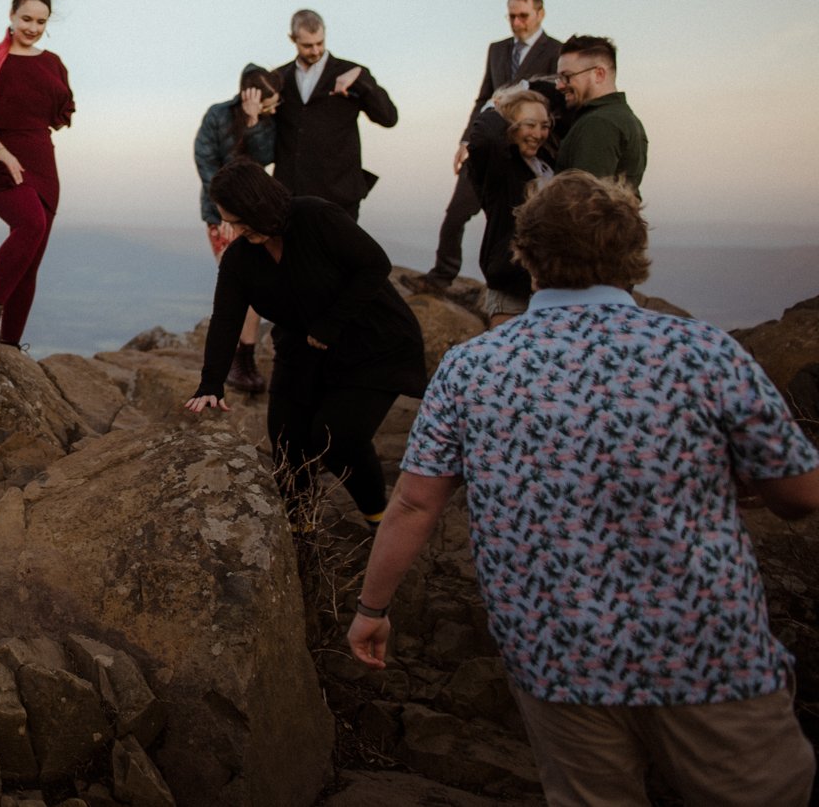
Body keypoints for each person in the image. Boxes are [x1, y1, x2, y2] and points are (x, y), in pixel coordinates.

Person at [348, 172, 819, 806]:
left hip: (558, 660)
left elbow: (413, 502)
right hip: (708, 652)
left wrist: (372, 610)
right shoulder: (703, 351)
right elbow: (800, 493)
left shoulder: (474, 366)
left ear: (528, 256)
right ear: (634, 255)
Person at [184, 158, 425, 528]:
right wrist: (211, 381)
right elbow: (226, 318)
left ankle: (380, 519)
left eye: (238, 219)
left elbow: (375, 264)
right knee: (287, 444)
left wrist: (331, 323)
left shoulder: (316, 216)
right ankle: (299, 530)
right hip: (302, 350)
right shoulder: (240, 257)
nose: (234, 230)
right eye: (229, 221)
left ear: (259, 204)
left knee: (337, 438)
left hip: (371, 343)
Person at [427, 0, 561, 291]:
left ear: (540, 14)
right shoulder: (497, 49)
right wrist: (466, 140)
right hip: (488, 144)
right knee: (456, 214)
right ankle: (440, 278)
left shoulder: (556, 50)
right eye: (511, 16)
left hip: (529, 150)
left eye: (523, 15)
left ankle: (527, 284)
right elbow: (485, 97)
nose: (516, 22)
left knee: (519, 222)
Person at [0, 0, 75, 352]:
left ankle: (9, 348)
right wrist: (2, 152)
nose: (32, 27)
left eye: (41, 21)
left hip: (43, 164)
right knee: (30, 223)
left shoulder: (53, 63)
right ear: (12, 15)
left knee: (31, 261)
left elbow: (56, 115)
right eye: (26, 18)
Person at [190, 64, 280, 393]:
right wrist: (225, 215)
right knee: (237, 283)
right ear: (250, 93)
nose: (275, 106)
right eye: (270, 101)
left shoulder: (267, 122)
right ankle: (235, 360)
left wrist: (255, 122)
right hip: (220, 214)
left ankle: (246, 357)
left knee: (257, 283)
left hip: (254, 214)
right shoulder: (217, 115)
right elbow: (205, 161)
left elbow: (264, 159)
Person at [271, 9, 398, 221]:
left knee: (340, 255)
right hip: (291, 197)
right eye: (307, 45)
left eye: (320, 43)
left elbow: (389, 118)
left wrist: (361, 82)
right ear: (292, 39)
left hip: (339, 195)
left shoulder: (352, 73)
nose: (315, 50)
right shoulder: (279, 78)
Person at [464, 88, 554, 325]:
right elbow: (486, 139)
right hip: (512, 289)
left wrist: (531, 85)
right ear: (509, 126)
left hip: (549, 287)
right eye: (529, 125)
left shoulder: (545, 163)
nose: (538, 133)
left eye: (544, 125)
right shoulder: (499, 167)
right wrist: (494, 108)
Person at [553, 34, 647, 191]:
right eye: (559, 78)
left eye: (567, 77)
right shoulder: (625, 118)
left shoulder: (598, 123)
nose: (560, 86)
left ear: (599, 74)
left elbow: (584, 204)